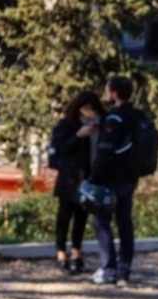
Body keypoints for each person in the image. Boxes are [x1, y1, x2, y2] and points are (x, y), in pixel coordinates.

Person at [89, 74, 147, 286]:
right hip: (131, 177)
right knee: (125, 222)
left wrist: (93, 179)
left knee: (101, 221)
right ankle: (124, 270)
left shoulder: (114, 119)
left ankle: (109, 269)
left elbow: (105, 152)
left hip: (111, 178)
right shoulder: (138, 117)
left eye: (107, 89)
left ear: (113, 93)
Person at [46, 92, 101, 275]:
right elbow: (61, 148)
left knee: (82, 217)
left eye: (93, 109)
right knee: (64, 216)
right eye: (86, 109)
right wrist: (78, 136)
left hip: (89, 176)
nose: (90, 113)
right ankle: (61, 253)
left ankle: (76, 254)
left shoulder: (100, 124)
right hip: (70, 177)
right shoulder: (67, 124)